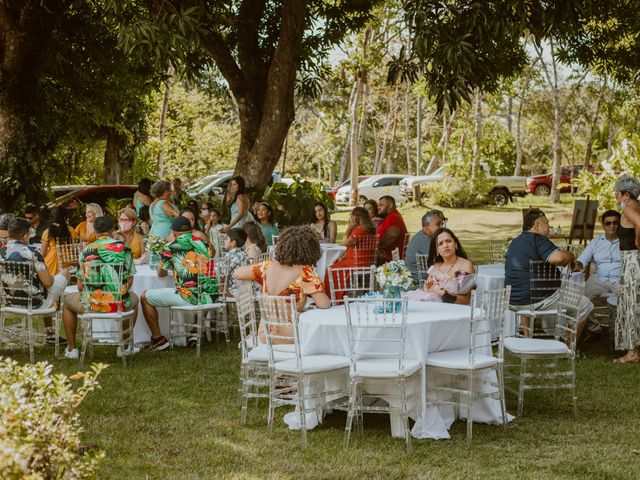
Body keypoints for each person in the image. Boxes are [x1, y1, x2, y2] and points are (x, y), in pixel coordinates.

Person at [505, 208, 593, 341]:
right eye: (546, 222)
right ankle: (568, 347)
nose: (549, 226)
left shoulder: (515, 242)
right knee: (585, 305)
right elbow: (558, 259)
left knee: (560, 294)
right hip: (539, 300)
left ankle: (531, 338)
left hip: (513, 300)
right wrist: (572, 255)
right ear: (536, 225)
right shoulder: (538, 239)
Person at [235, 225, 330, 344]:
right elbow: (324, 304)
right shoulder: (305, 271)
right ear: (310, 250)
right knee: (325, 337)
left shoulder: (266, 266)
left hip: (264, 334)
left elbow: (237, 273)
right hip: (291, 335)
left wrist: (260, 279)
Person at [62, 216, 138, 359]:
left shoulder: (86, 251)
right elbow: (129, 280)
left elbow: (79, 286)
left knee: (66, 302)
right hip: (118, 303)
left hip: (92, 303)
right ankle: (124, 347)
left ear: (95, 231)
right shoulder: (124, 248)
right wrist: (116, 293)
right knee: (134, 299)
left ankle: (71, 349)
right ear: (113, 230)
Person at [140, 216, 217, 351]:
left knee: (144, 297)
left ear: (174, 233)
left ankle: (159, 339)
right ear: (191, 230)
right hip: (211, 295)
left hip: (190, 297)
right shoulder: (205, 244)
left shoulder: (171, 247)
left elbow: (161, 273)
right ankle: (194, 331)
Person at [0, 217, 70, 344]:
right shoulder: (33, 252)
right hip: (36, 303)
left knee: (43, 288)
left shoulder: (1, 253)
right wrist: (53, 277)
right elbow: (48, 282)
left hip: (8, 302)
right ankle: (52, 334)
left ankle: (51, 335)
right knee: (65, 273)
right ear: (25, 236)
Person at [612, 176, 640, 363]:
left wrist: (638, 241)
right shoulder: (637, 206)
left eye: (618, 193)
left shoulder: (630, 209)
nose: (616, 196)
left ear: (626, 195)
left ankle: (632, 353)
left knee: (631, 304)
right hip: (631, 260)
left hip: (632, 261)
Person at [323, 207, 377, 300]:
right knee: (336, 263)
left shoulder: (360, 230)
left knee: (330, 269)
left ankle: (333, 298)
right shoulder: (371, 229)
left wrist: (349, 227)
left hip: (356, 263)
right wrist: (343, 257)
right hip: (368, 262)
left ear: (355, 218)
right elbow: (352, 247)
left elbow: (345, 242)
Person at [575, 209, 621, 300]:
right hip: (598, 280)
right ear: (603, 226)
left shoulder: (627, 241)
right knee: (580, 299)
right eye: (608, 223)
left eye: (615, 223)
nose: (612, 226)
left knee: (630, 299)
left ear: (620, 225)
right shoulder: (595, 242)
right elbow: (582, 259)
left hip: (620, 280)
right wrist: (578, 265)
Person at [422, 228, 475, 305]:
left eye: (449, 241)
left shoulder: (465, 264)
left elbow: (465, 300)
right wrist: (426, 288)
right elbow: (428, 295)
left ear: (455, 244)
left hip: (457, 311)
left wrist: (444, 295)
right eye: (440, 243)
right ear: (437, 250)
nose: (445, 246)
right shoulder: (436, 267)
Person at [405, 210, 446, 283]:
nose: (442, 227)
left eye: (442, 223)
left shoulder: (426, 236)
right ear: (427, 226)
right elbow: (442, 259)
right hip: (419, 281)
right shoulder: (424, 240)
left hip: (424, 276)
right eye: (438, 224)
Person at [41, 207, 77, 275]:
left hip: (52, 262)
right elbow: (73, 248)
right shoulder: (71, 230)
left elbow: (43, 252)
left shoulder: (48, 232)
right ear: (65, 217)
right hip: (69, 262)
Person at [375, 196, 408, 264]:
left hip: (388, 259)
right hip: (387, 258)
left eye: (381, 205)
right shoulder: (393, 216)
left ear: (390, 205)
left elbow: (393, 234)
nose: (378, 207)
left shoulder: (393, 217)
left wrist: (378, 248)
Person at [224, 228, 250, 296]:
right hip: (246, 291)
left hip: (234, 292)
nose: (224, 241)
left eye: (227, 239)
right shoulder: (244, 253)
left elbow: (222, 274)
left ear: (233, 243)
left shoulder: (230, 256)